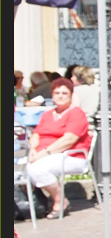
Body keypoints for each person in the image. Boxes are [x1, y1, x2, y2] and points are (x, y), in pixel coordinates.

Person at [26, 78, 92, 218]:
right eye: (57, 93)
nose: (60, 96)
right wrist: (32, 149)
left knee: (36, 169)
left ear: (71, 95)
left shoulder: (76, 114)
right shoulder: (47, 114)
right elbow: (37, 134)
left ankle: (60, 200)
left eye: (64, 93)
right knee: (19, 168)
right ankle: (30, 204)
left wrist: (43, 153)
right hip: (43, 155)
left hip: (71, 155)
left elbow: (68, 140)